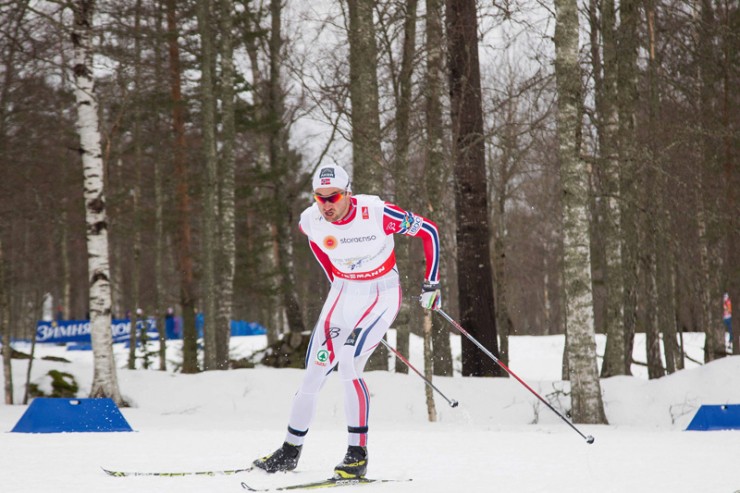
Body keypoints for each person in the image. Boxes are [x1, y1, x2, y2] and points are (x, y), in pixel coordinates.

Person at [252, 164, 441, 479]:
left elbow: (429, 231)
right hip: (343, 296)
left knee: (350, 364)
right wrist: (338, 282)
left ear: (348, 194)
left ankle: (356, 455)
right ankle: (289, 452)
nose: (326, 204)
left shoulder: (378, 212)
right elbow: (318, 248)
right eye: (320, 197)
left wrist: (432, 283)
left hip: (381, 294)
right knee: (313, 374)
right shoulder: (310, 221)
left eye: (333, 197)